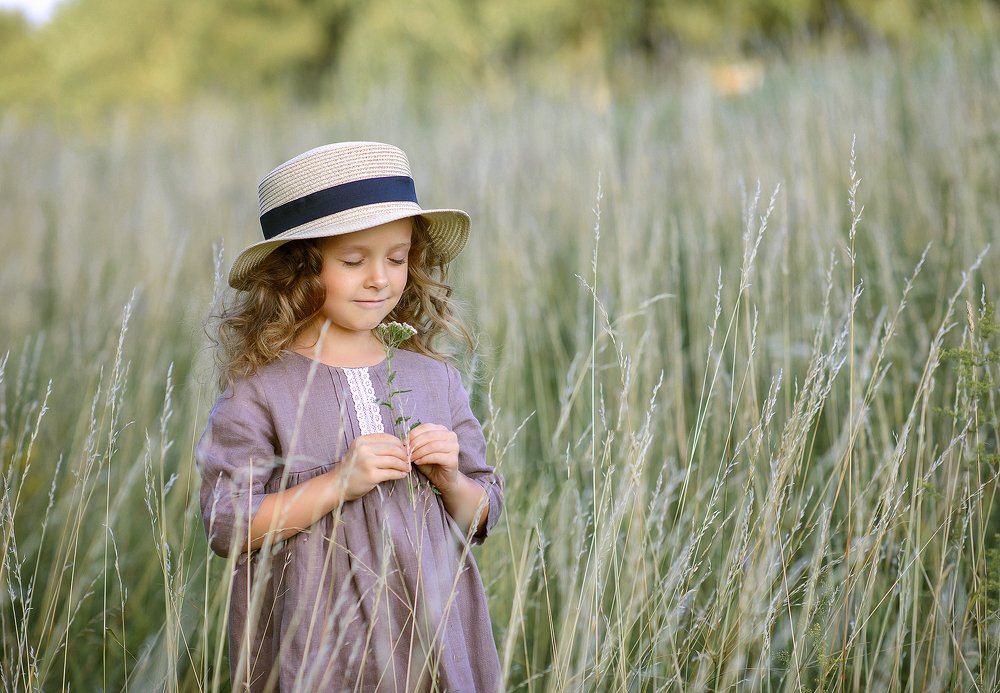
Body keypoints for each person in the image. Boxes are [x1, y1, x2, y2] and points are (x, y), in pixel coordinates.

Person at [197, 142, 504, 692]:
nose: (381, 279)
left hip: (431, 642)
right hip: (317, 651)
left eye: (397, 256)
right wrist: (338, 483)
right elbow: (226, 524)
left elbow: (482, 511)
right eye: (353, 260)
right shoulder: (263, 389)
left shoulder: (435, 379)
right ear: (300, 270)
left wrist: (451, 479)